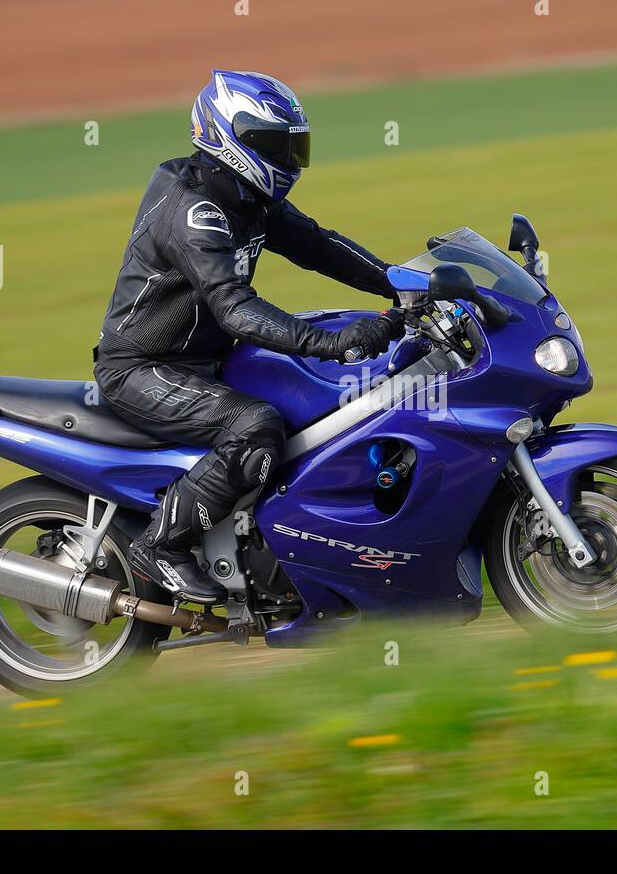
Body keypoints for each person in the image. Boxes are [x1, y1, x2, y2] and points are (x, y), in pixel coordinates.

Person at [94, 70, 403, 604]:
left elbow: (319, 246)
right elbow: (235, 311)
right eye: (274, 144)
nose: (287, 158)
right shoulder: (195, 212)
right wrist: (333, 344)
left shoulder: (243, 197)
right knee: (255, 426)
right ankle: (162, 545)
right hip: (144, 369)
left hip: (205, 359)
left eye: (293, 145)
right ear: (229, 138)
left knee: (318, 400)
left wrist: (404, 284)